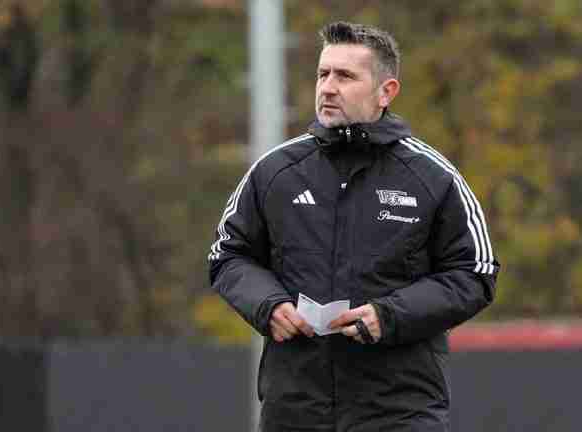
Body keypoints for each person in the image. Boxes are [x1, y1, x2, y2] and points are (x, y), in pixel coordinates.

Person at [208, 21, 499, 432]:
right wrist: (268, 305)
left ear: (386, 92)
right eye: (323, 74)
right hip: (294, 410)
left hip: (399, 412)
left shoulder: (433, 177)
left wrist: (389, 315)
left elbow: (475, 273)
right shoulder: (274, 172)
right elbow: (228, 255)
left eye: (345, 76)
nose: (328, 88)